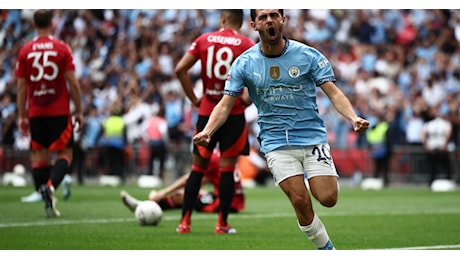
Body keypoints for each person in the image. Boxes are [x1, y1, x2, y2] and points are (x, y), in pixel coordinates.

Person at [193, 9, 369, 249]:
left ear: (283, 20)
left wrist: (352, 117)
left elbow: (333, 93)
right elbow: (225, 104)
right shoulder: (244, 62)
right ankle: (327, 250)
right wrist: (208, 131)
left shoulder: (308, 55)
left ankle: (321, 176)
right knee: (299, 200)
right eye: (264, 17)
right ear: (254, 24)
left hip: (312, 137)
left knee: (328, 198)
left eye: (274, 15)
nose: (270, 21)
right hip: (276, 143)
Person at [174, 9, 254, 234]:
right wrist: (246, 100)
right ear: (241, 23)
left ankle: (184, 222)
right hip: (233, 112)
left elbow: (180, 69)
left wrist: (194, 99)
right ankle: (222, 224)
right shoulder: (246, 44)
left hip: (207, 111)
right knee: (227, 169)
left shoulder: (204, 39)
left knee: (197, 168)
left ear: (222, 19)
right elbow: (259, 76)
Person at [15, 9, 83, 217]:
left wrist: (22, 115)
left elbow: (21, 87)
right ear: (52, 24)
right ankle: (51, 186)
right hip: (59, 110)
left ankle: (45, 194)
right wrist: (79, 111)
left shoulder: (25, 51)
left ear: (34, 24)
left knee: (40, 156)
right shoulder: (61, 48)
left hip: (36, 111)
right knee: (66, 154)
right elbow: (72, 81)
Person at [120, 150, 245, 213]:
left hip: (224, 203)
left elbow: (190, 179)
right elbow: (202, 180)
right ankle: (147, 204)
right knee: (189, 192)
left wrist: (164, 192)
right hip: (234, 200)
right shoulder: (222, 155)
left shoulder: (211, 158)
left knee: (181, 195)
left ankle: (144, 206)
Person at [421, 105, 453, 187]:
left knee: (442, 165)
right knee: (435, 166)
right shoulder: (431, 124)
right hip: (435, 146)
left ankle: (447, 180)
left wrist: (426, 145)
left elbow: (423, 133)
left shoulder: (440, 124)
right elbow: (423, 134)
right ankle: (434, 181)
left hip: (437, 146)